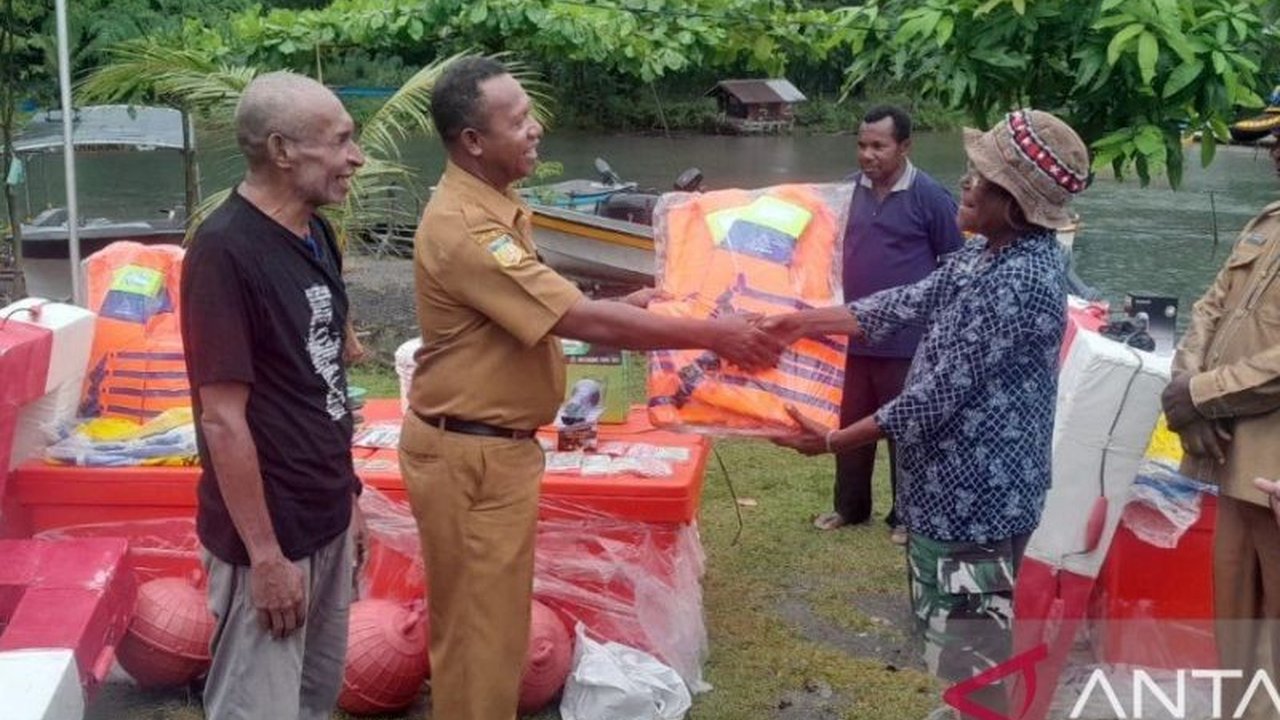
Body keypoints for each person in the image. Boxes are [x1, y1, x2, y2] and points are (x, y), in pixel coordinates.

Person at [400, 56, 783, 720]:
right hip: (469, 459)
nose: (537, 127)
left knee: (490, 630)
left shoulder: (496, 206)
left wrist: (635, 299)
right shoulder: (468, 227)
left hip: (492, 453)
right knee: (479, 638)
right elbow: (572, 316)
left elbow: (538, 312)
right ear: (472, 141)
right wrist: (713, 335)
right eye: (517, 120)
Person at [766, 109, 1088, 719]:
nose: (965, 184)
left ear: (1016, 200)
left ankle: (979, 707)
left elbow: (935, 396)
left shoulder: (1021, 280)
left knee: (974, 646)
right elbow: (908, 300)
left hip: (980, 500)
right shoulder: (985, 254)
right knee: (953, 637)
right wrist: (800, 321)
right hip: (943, 492)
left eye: (981, 178)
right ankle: (965, 703)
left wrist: (835, 440)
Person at [180, 71, 366, 720]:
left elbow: (323, 384)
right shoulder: (225, 253)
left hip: (326, 515)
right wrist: (264, 557)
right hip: (271, 534)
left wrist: (349, 498)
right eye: (341, 141)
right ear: (284, 151)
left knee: (315, 700)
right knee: (257, 709)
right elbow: (223, 420)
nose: (356, 157)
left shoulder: (316, 235)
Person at [1164, 129, 1280, 719]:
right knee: (1233, 625)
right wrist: (1186, 392)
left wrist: (1203, 396)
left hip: (1274, 472)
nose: (1277, 151)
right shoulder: (1268, 219)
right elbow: (1210, 307)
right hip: (1233, 458)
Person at [817, 105, 965, 540]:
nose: (868, 154)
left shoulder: (932, 197)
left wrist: (940, 330)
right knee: (849, 426)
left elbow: (955, 266)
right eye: (862, 145)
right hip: (850, 338)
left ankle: (906, 516)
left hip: (908, 342)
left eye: (879, 146)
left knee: (908, 430)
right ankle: (850, 508)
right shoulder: (842, 196)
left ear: (904, 147)